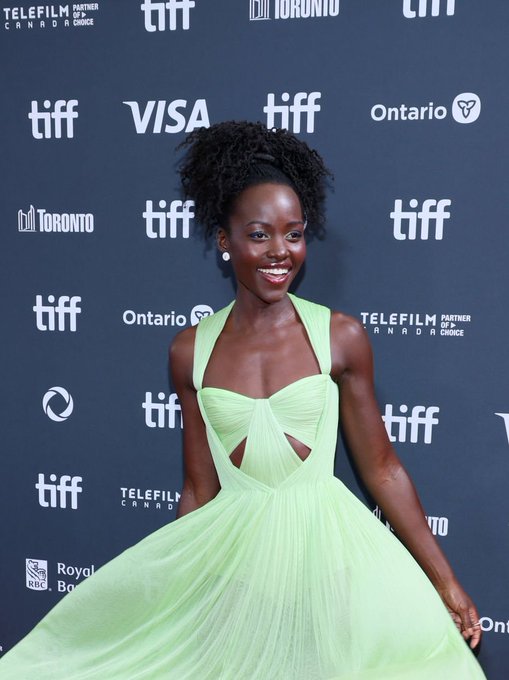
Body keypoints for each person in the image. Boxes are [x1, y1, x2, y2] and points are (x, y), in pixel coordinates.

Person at [0, 121, 486, 679]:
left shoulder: (340, 336)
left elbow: (383, 469)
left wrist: (445, 582)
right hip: (237, 574)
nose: (280, 251)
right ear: (224, 241)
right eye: (259, 234)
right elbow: (198, 491)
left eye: (294, 233)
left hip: (328, 564)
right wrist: (181, 598)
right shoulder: (190, 351)